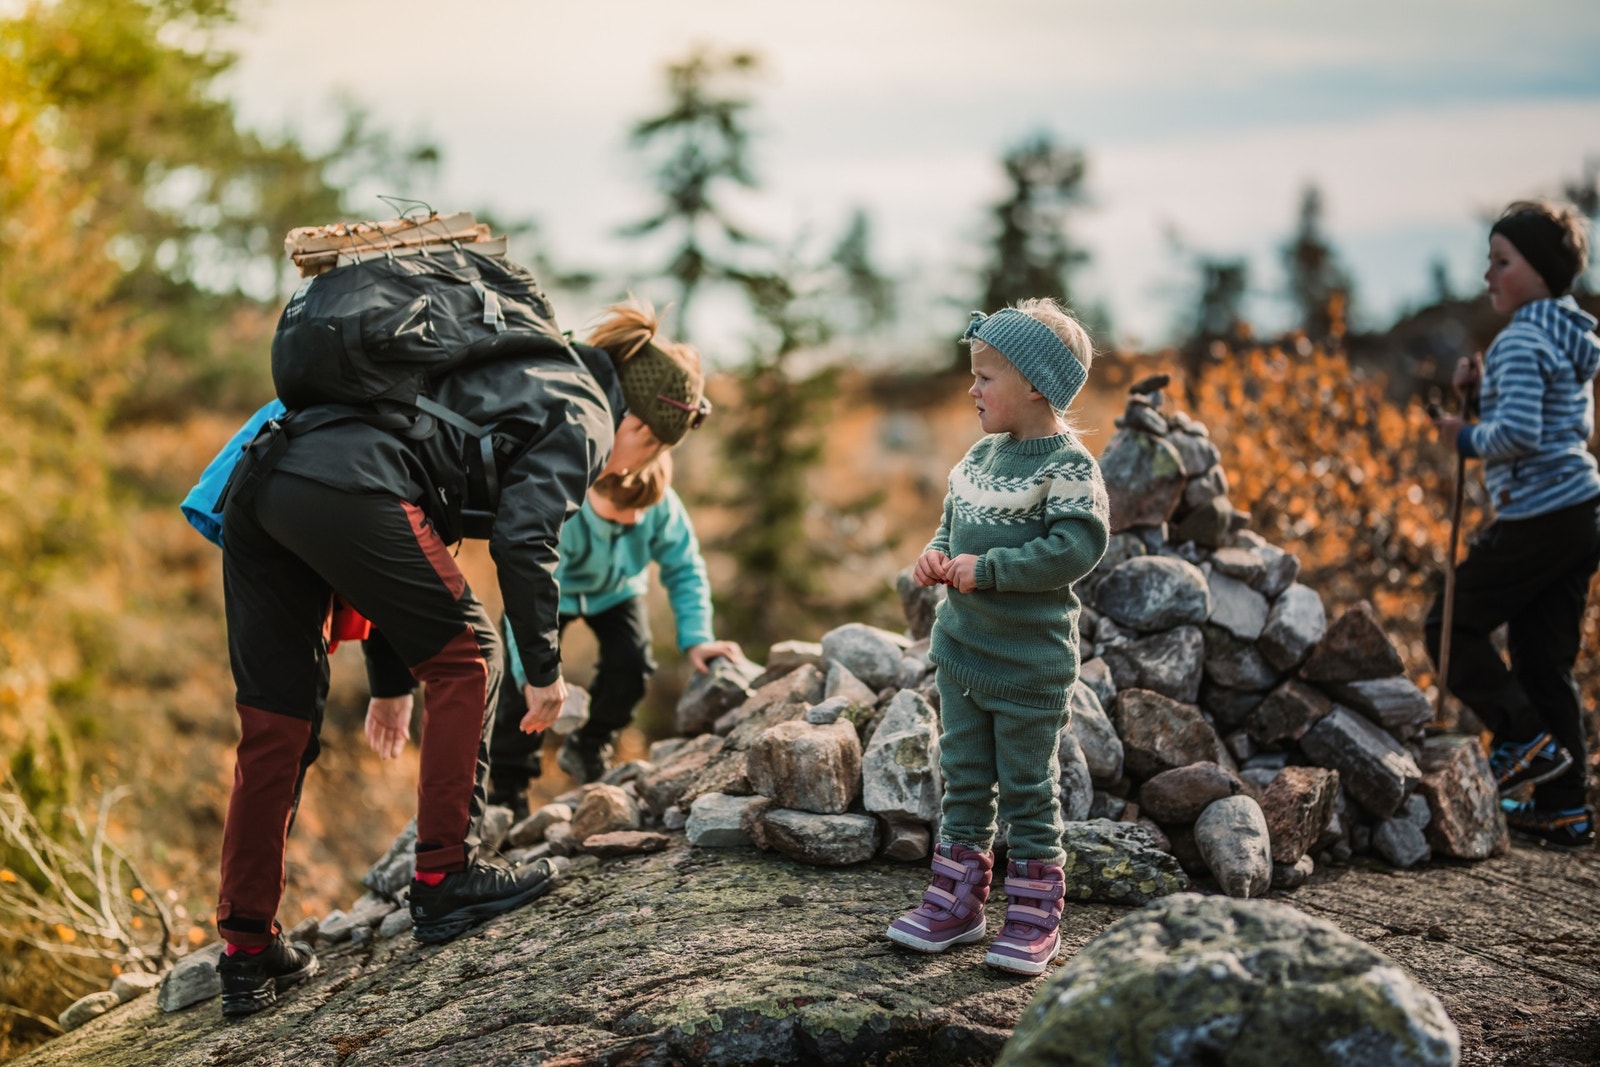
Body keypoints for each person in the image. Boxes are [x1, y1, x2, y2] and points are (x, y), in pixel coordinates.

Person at [213, 293, 706, 1017]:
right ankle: (448, 877)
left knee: (276, 725)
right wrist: (544, 671)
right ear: (638, 424)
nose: (633, 468)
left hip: (265, 479)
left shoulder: (525, 373)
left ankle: (247, 950)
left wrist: (390, 683)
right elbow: (523, 540)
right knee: (474, 655)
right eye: (652, 450)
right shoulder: (586, 414)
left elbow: (401, 550)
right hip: (353, 482)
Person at [885, 297, 1109, 976]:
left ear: (1036, 383)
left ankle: (1036, 914)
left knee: (1028, 786)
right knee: (966, 780)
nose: (972, 389)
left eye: (986, 376)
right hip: (961, 656)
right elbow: (952, 527)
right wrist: (936, 556)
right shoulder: (979, 459)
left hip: (1027, 666)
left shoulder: (1068, 467)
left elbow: (1076, 548)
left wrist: (993, 570)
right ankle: (958, 902)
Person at [485, 313, 740, 807]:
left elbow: (686, 568)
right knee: (520, 698)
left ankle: (590, 742)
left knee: (632, 663)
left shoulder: (660, 507)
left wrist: (698, 639)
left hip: (615, 592)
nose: (627, 525)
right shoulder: (569, 497)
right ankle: (509, 789)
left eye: (635, 518)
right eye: (617, 516)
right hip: (549, 593)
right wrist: (531, 676)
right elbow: (526, 588)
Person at [1428, 199, 1600, 851]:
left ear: (1541, 272)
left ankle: (1523, 739)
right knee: (1543, 659)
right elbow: (1556, 421)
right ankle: (1565, 807)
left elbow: (1521, 432)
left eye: (1502, 261)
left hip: (1539, 516)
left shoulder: (1524, 337)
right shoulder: (1567, 334)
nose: (1488, 275)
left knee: (1448, 621)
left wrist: (1463, 433)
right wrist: (1480, 391)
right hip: (1580, 513)